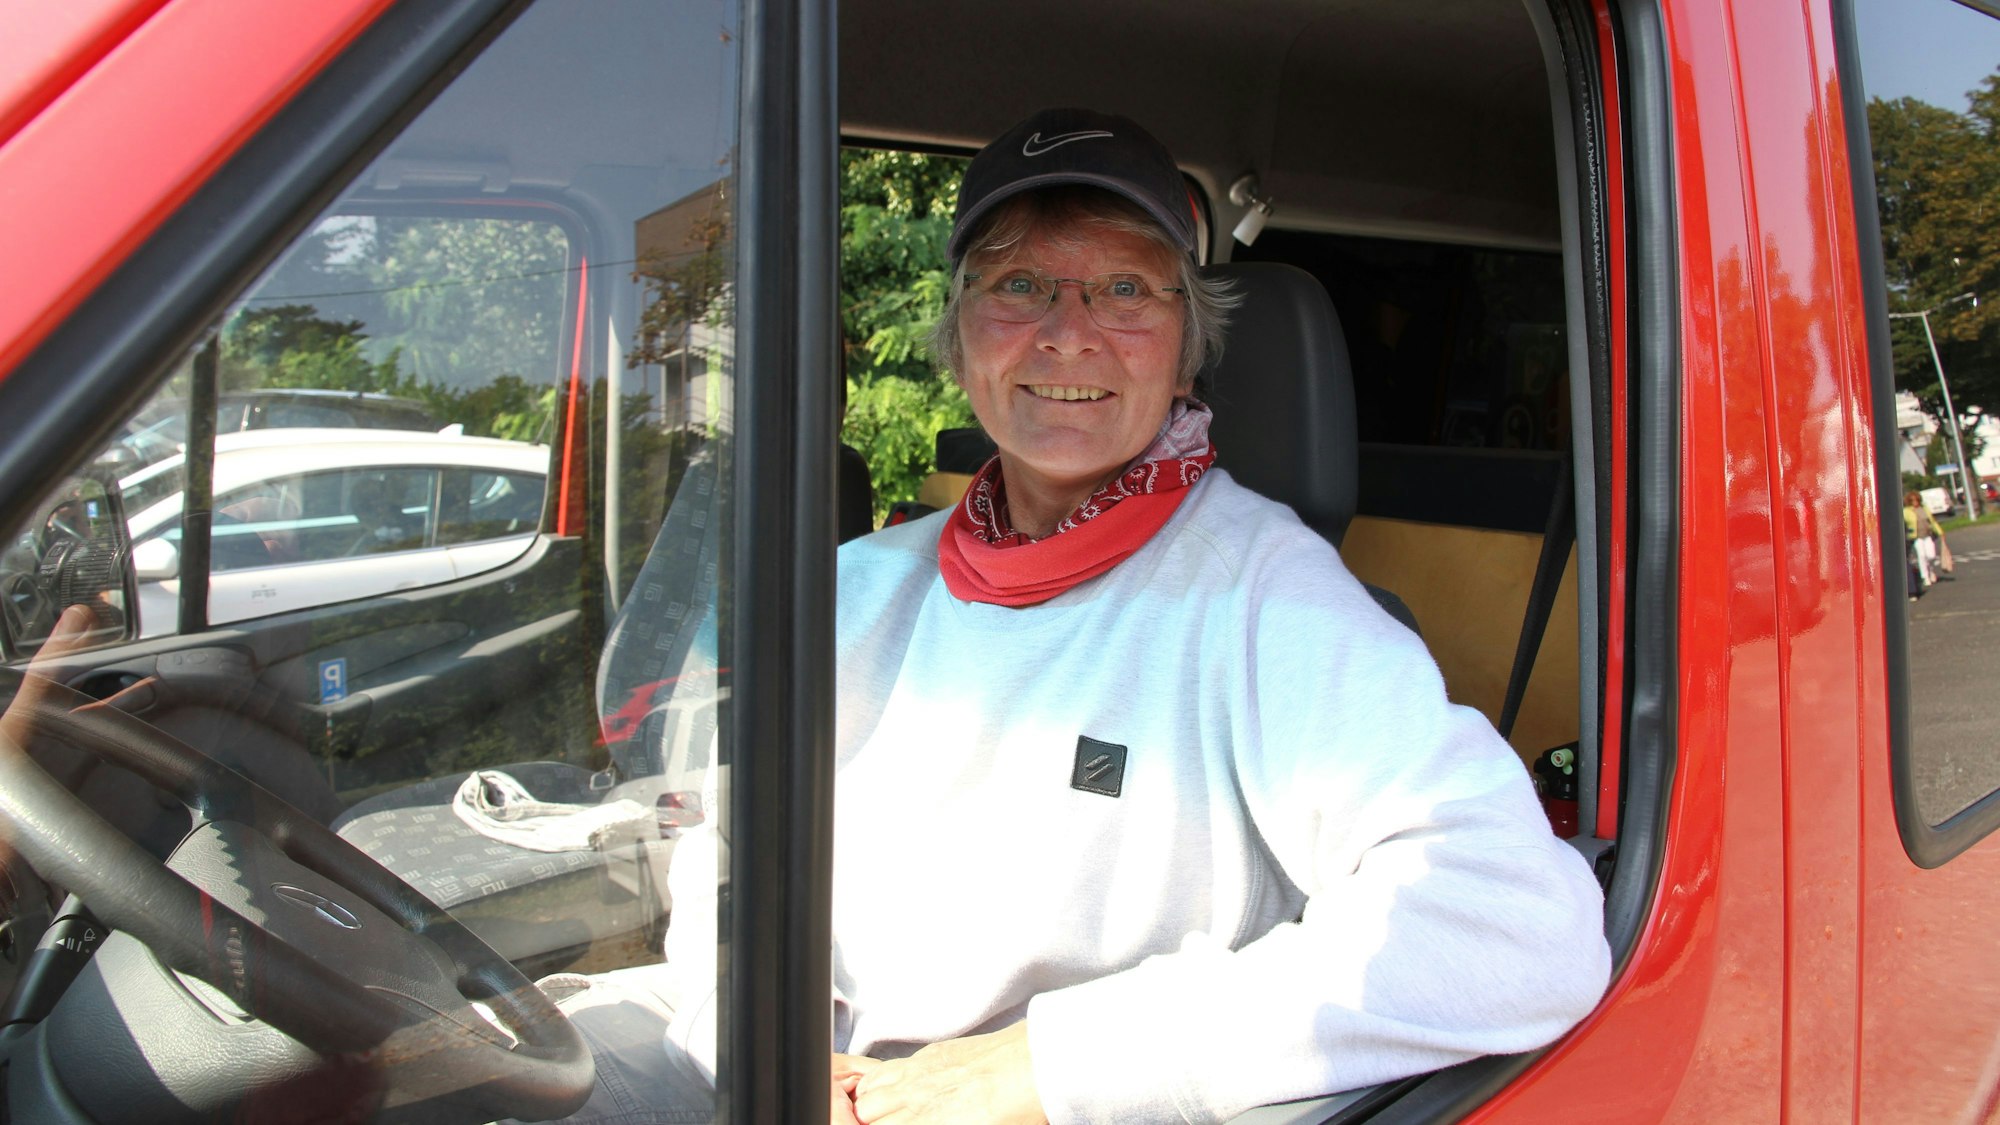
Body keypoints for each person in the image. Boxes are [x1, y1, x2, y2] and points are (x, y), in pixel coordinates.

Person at [539, 107, 1610, 1125]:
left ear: (1186, 347)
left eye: (1123, 291)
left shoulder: (1270, 602)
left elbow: (1514, 926)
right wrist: (769, 1052)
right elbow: (733, 858)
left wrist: (1042, 1070)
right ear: (959, 342)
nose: (1067, 336)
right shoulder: (858, 589)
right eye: (1017, 285)